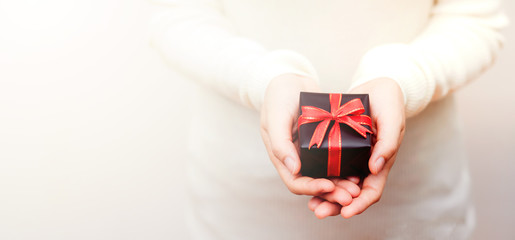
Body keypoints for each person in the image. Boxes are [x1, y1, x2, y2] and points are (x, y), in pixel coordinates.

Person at [150, 0, 508, 239]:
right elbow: (179, 16)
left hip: (417, 204)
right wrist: (264, 77)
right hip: (241, 205)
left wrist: (401, 78)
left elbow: (476, 19)